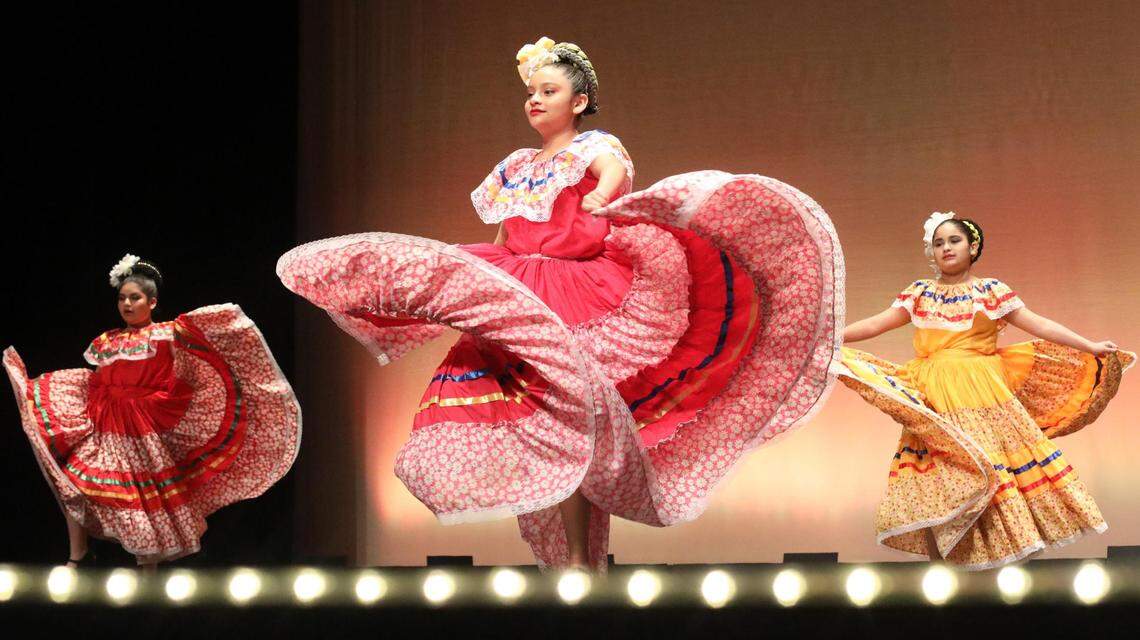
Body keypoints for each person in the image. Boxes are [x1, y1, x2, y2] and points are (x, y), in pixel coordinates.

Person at [278, 37, 843, 569]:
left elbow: (611, 174)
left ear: (579, 101)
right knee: (535, 417)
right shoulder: (516, 166)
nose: (536, 100)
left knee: (577, 414)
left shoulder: (595, 147)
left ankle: (579, 557)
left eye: (549, 91)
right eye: (532, 92)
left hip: (578, 290)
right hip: (521, 289)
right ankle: (566, 554)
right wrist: (485, 277)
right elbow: (506, 236)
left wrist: (601, 193)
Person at [836, 212, 1133, 569]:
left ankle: (1010, 550)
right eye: (939, 243)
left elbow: (1037, 323)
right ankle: (947, 565)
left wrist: (1088, 344)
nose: (946, 248)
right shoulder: (920, 293)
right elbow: (876, 323)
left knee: (993, 467)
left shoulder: (990, 290)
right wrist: (833, 336)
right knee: (947, 469)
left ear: (972, 246)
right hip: (935, 393)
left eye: (954, 241)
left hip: (983, 390)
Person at [3, 254, 301, 567]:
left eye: (135, 298)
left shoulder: (168, 334)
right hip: (105, 425)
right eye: (122, 298)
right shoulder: (108, 341)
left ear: (152, 301)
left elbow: (188, 370)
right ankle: (78, 556)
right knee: (72, 484)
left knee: (146, 504)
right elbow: (102, 379)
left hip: (142, 432)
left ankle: (148, 579)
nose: (127, 304)